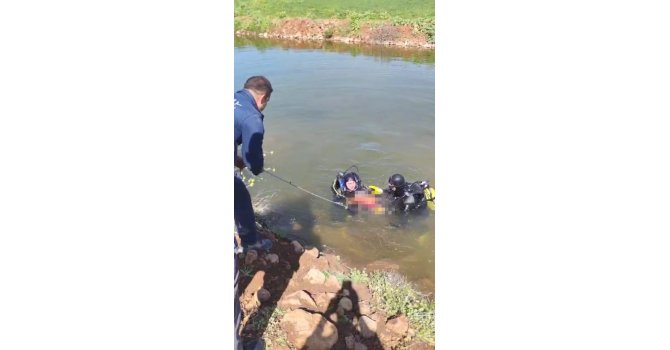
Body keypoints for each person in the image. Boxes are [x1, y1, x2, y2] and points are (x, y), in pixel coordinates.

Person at [234, 76, 274, 252]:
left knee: (238, 193)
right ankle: (248, 244)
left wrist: (236, 160)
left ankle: (248, 239)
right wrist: (256, 167)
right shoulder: (252, 118)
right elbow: (253, 159)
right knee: (240, 196)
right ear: (263, 98)